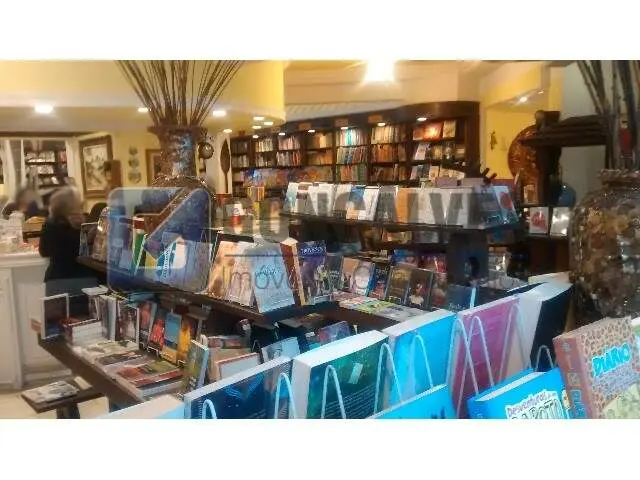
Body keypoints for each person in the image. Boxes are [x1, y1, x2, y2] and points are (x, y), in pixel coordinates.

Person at [39, 187, 95, 284]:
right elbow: (79, 253)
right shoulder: (74, 224)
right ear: (71, 205)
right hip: (74, 279)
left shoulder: (49, 222)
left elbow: (44, 252)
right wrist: (87, 237)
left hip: (53, 279)